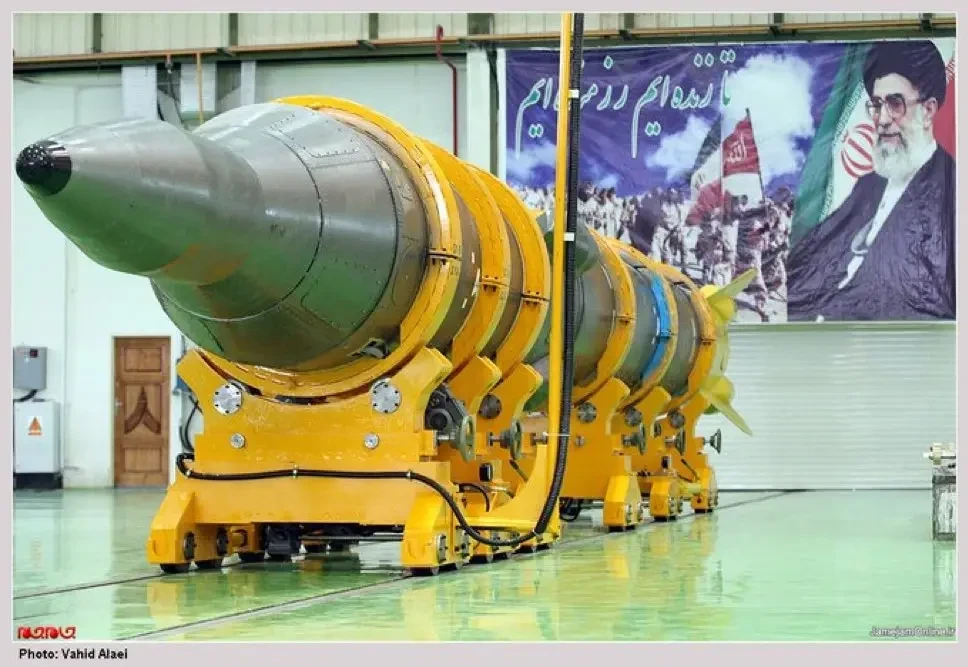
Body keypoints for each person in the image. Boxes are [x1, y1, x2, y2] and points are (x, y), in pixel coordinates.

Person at [787, 40, 955, 321]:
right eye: (877, 105)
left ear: (927, 111)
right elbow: (817, 254)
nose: (883, 119)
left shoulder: (952, 190)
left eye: (895, 104)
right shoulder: (869, 185)